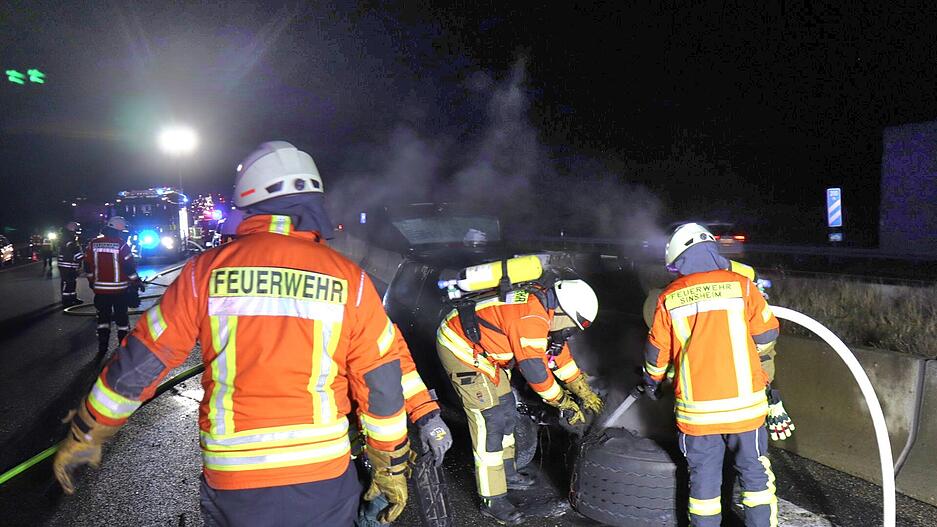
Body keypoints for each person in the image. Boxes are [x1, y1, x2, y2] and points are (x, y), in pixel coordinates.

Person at [53, 141, 413, 526]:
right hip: (323, 475)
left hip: (237, 480)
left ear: (248, 199)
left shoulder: (204, 272)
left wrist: (89, 429)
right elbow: (382, 382)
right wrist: (390, 466)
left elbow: (142, 360)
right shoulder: (351, 280)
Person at [643, 222, 782, 527]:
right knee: (755, 478)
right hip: (746, 410)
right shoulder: (742, 285)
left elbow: (657, 354)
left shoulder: (669, 297)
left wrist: (652, 382)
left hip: (698, 415)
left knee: (703, 488)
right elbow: (768, 334)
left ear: (679, 258)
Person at [436, 278, 603, 525]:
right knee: (490, 421)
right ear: (563, 311)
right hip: (461, 349)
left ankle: (507, 471)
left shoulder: (547, 312)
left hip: (487, 357)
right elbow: (535, 371)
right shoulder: (531, 318)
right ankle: (492, 499)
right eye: (571, 327)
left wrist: (581, 387)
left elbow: (557, 357)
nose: (569, 333)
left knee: (506, 409)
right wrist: (563, 403)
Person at [84, 216, 140, 360]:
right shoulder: (121, 245)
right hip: (120, 291)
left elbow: (87, 265)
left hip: (100, 291)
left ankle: (102, 347)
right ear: (118, 230)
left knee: (103, 319)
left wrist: (91, 281)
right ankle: (123, 347)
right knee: (122, 320)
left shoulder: (93, 244)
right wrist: (136, 283)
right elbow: (129, 268)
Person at [57, 221, 84, 306]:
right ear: (72, 229)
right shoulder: (66, 237)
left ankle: (72, 298)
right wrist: (82, 257)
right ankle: (66, 300)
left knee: (72, 282)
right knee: (68, 282)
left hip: (71, 263)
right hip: (66, 264)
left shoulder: (71, 237)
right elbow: (73, 249)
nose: (78, 231)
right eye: (76, 229)